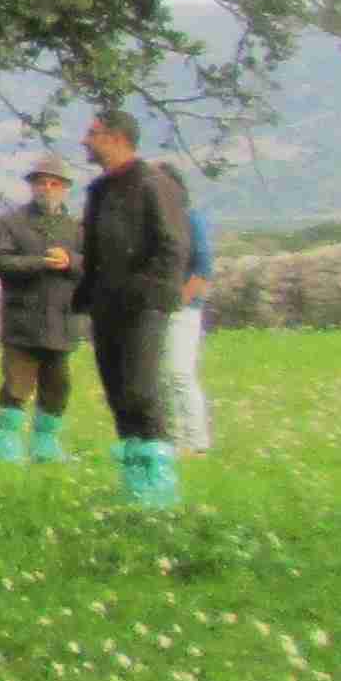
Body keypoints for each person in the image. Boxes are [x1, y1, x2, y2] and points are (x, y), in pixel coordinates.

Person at [77, 109, 193, 509]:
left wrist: (147, 294)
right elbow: (92, 252)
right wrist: (87, 297)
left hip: (144, 308)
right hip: (106, 308)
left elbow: (173, 246)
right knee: (119, 396)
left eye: (91, 133)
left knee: (142, 391)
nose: (85, 141)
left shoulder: (153, 184)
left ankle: (161, 490)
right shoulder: (98, 191)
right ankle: (135, 485)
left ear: (116, 137)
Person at [0, 161, 82, 463]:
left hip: (62, 320)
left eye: (54, 183)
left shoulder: (77, 229)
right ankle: (6, 447)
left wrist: (70, 261)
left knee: (58, 387)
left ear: (65, 188)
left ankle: (46, 446)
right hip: (22, 321)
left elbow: (96, 266)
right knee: (16, 385)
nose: (46, 188)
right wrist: (40, 262)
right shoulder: (11, 223)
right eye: (40, 182)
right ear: (32, 186)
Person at [160, 189, 217, 457]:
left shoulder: (192, 221)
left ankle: (197, 442)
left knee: (179, 374)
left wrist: (180, 300)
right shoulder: (154, 220)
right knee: (162, 376)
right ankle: (175, 441)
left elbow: (203, 268)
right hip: (155, 309)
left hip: (183, 309)